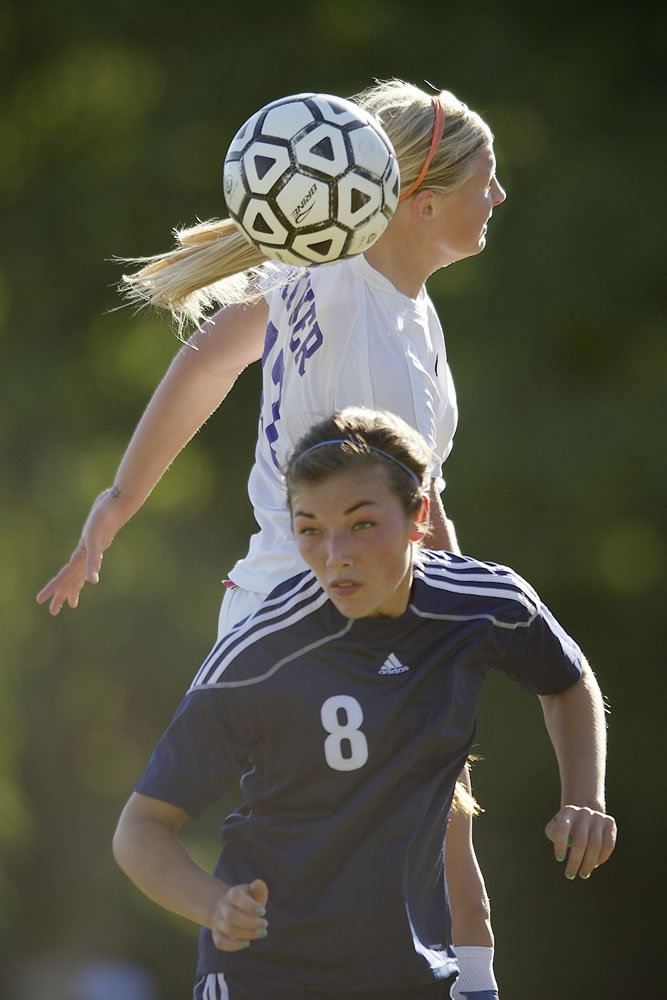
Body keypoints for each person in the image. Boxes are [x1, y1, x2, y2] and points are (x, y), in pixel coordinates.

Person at [38, 79, 506, 993]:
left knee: (439, 810)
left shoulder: (397, 310)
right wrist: (118, 500)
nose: (498, 196)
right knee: (345, 836)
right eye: (486, 177)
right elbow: (210, 362)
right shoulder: (341, 288)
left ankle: (473, 978)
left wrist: (458, 610)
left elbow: (417, 489)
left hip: (353, 602)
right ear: (419, 198)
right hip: (300, 611)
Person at [112, 406, 617, 1000]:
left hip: (411, 973)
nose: (335, 554)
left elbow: (566, 677)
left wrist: (584, 797)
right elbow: (141, 830)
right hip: (266, 973)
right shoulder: (260, 652)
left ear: (417, 517)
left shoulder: (482, 603)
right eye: (309, 530)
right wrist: (214, 905)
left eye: (361, 524)